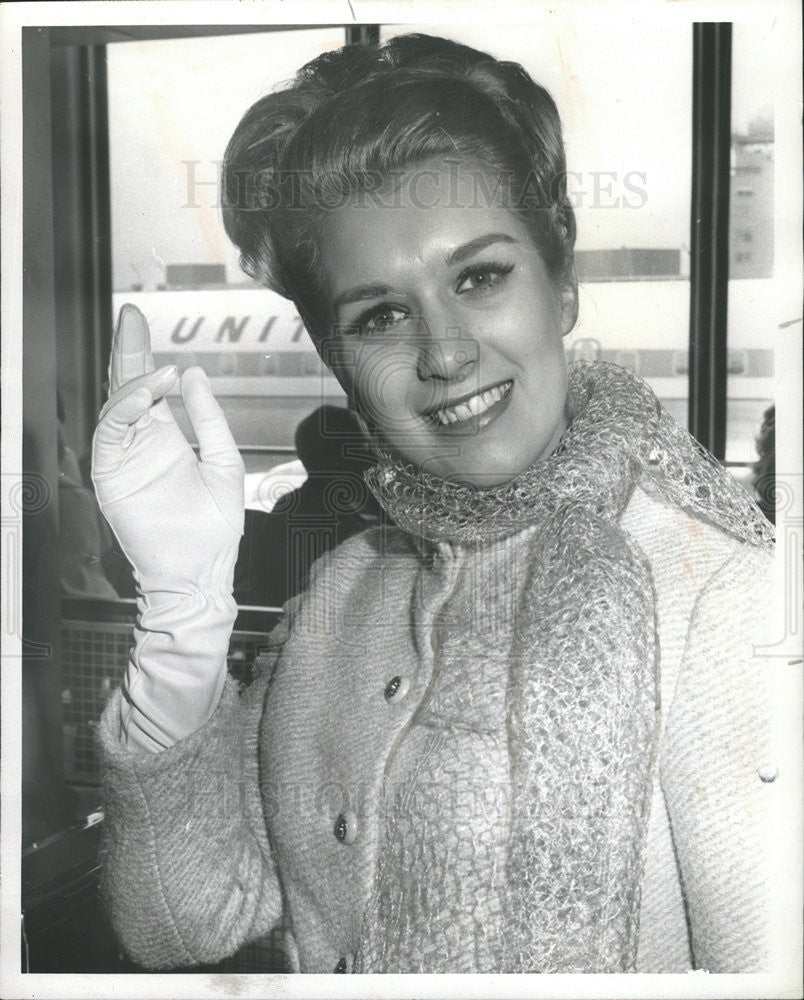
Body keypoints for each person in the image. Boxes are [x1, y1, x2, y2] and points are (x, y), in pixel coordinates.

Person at [92, 34, 777, 974]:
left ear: (561, 281)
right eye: (380, 315)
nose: (444, 352)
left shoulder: (721, 597)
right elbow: (180, 923)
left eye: (480, 277)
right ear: (340, 363)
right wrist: (181, 604)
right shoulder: (346, 591)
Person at [234, 404, 383, 608]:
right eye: (364, 448)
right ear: (340, 461)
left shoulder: (292, 505)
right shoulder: (336, 525)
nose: (373, 459)